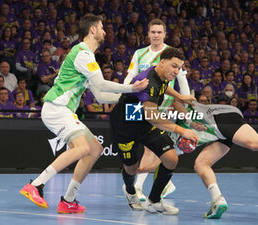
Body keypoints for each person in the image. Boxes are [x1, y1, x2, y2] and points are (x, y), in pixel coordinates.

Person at [20, 14, 148, 214]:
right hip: (57, 107)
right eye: (102, 27)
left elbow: (102, 96)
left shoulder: (87, 58)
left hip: (63, 110)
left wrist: (136, 99)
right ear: (92, 30)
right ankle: (36, 185)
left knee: (95, 149)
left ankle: (68, 200)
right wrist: (132, 88)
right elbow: (102, 84)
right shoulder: (82, 53)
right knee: (81, 148)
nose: (105, 31)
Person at [154, 102, 258, 219]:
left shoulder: (171, 117)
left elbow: (176, 103)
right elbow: (158, 161)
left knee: (254, 143)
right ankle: (217, 200)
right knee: (201, 163)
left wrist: (190, 122)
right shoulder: (172, 144)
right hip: (219, 134)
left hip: (219, 117)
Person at [110, 47, 198, 215]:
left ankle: (154, 201)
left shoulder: (162, 74)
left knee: (171, 158)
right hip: (125, 127)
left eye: (179, 67)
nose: (177, 71)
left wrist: (180, 97)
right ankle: (130, 191)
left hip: (144, 124)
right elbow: (152, 115)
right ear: (162, 62)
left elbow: (163, 87)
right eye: (174, 66)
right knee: (132, 168)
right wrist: (181, 131)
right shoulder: (148, 80)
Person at [123, 19, 191, 201]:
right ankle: (162, 185)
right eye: (153, 32)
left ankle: (138, 187)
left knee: (152, 148)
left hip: (165, 104)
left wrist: (185, 103)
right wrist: (122, 93)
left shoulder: (171, 54)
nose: (156, 35)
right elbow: (130, 76)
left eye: (159, 32)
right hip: (142, 105)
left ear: (164, 34)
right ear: (148, 33)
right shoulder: (139, 53)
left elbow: (182, 80)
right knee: (150, 148)